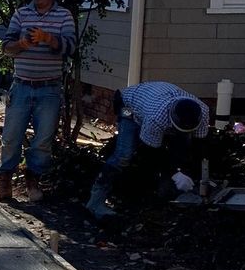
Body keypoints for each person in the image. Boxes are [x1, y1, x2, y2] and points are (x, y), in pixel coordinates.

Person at [0, 0, 77, 204]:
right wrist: (21, 43)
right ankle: (5, 182)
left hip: (49, 88)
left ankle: (33, 180)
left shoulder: (64, 16)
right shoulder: (21, 14)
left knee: (43, 140)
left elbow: (71, 47)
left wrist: (49, 39)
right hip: (21, 85)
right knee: (11, 136)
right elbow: (6, 46)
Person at [86, 82, 210, 220]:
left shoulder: (203, 112)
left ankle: (166, 191)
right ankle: (95, 202)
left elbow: (199, 146)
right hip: (128, 107)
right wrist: (175, 173)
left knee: (179, 150)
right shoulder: (156, 118)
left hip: (153, 100)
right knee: (124, 154)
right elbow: (151, 152)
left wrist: (192, 173)